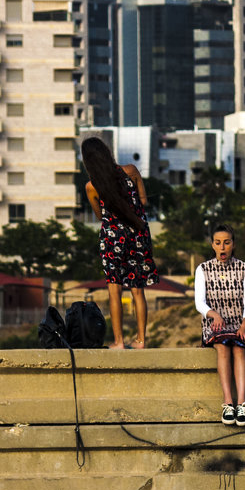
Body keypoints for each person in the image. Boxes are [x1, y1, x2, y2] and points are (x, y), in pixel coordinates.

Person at [82, 138, 160, 349]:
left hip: (112, 238)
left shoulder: (92, 187)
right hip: (138, 235)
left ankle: (119, 342)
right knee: (138, 290)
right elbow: (143, 202)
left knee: (114, 290)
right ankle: (141, 340)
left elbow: (100, 216)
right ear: (107, 153)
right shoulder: (131, 171)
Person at [195, 224, 245, 427]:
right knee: (222, 348)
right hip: (215, 325)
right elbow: (199, 303)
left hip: (239, 324)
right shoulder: (203, 269)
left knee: (239, 349)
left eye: (227, 243)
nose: (222, 248)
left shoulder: (244, 268)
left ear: (233, 244)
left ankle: (242, 404)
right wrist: (213, 315)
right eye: (218, 243)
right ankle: (228, 402)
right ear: (212, 245)